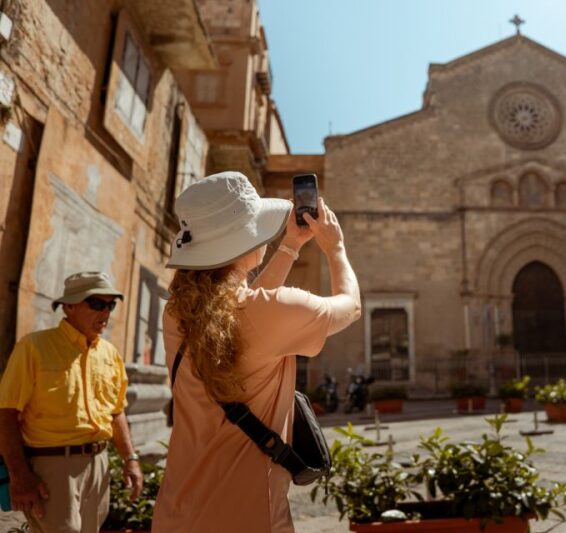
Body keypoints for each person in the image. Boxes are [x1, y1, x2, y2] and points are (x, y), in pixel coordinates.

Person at [152, 171, 361, 532]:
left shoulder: (177, 315)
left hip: (176, 515)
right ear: (244, 243)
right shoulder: (275, 312)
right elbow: (351, 305)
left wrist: (290, 247)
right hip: (249, 518)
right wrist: (335, 248)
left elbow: (245, 313)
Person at [0, 271, 143, 533]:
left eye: (110, 305)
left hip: (99, 465)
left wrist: (130, 459)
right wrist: (20, 476)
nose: (105, 313)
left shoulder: (109, 354)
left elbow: (116, 412)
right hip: (53, 468)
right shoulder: (34, 347)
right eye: (97, 304)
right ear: (69, 306)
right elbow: (6, 414)